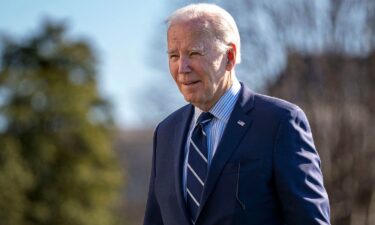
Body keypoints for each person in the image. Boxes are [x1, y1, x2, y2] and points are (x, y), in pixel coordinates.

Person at [143, 3, 330, 225]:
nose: (182, 67)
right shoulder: (166, 132)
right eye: (174, 55)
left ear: (229, 57)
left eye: (194, 53)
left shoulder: (279, 122)